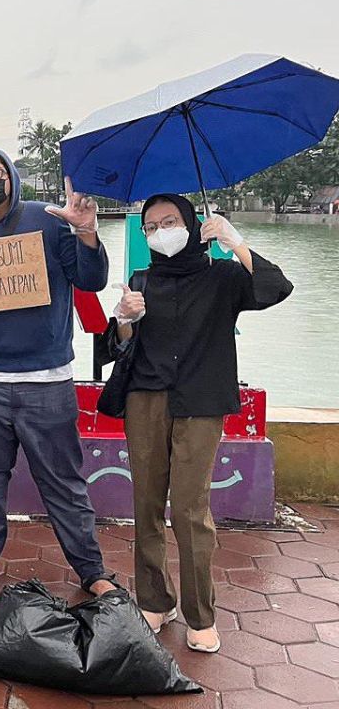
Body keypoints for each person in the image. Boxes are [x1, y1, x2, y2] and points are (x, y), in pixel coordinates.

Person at [0, 148, 117, 598]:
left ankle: (91, 569)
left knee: (64, 483)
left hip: (47, 382)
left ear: (13, 178)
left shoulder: (49, 220)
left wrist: (86, 232)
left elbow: (91, 280)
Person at [110, 195, 292, 653]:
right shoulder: (141, 279)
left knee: (191, 510)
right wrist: (126, 321)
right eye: (151, 226)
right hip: (145, 399)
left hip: (200, 402)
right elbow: (122, 347)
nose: (160, 231)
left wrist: (234, 241)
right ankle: (154, 599)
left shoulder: (223, 277)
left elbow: (276, 288)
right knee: (146, 503)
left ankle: (200, 614)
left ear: (193, 225)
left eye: (170, 222)